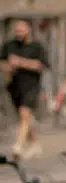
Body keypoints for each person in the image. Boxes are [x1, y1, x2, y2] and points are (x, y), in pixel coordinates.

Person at [3, 20, 48, 158]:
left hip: (31, 86)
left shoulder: (36, 47)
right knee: (24, 118)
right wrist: (8, 66)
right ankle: (34, 144)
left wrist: (20, 62)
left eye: (21, 30)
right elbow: (2, 62)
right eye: (16, 30)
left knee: (24, 114)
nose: (19, 33)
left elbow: (40, 65)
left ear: (28, 30)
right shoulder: (9, 46)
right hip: (14, 86)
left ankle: (18, 146)